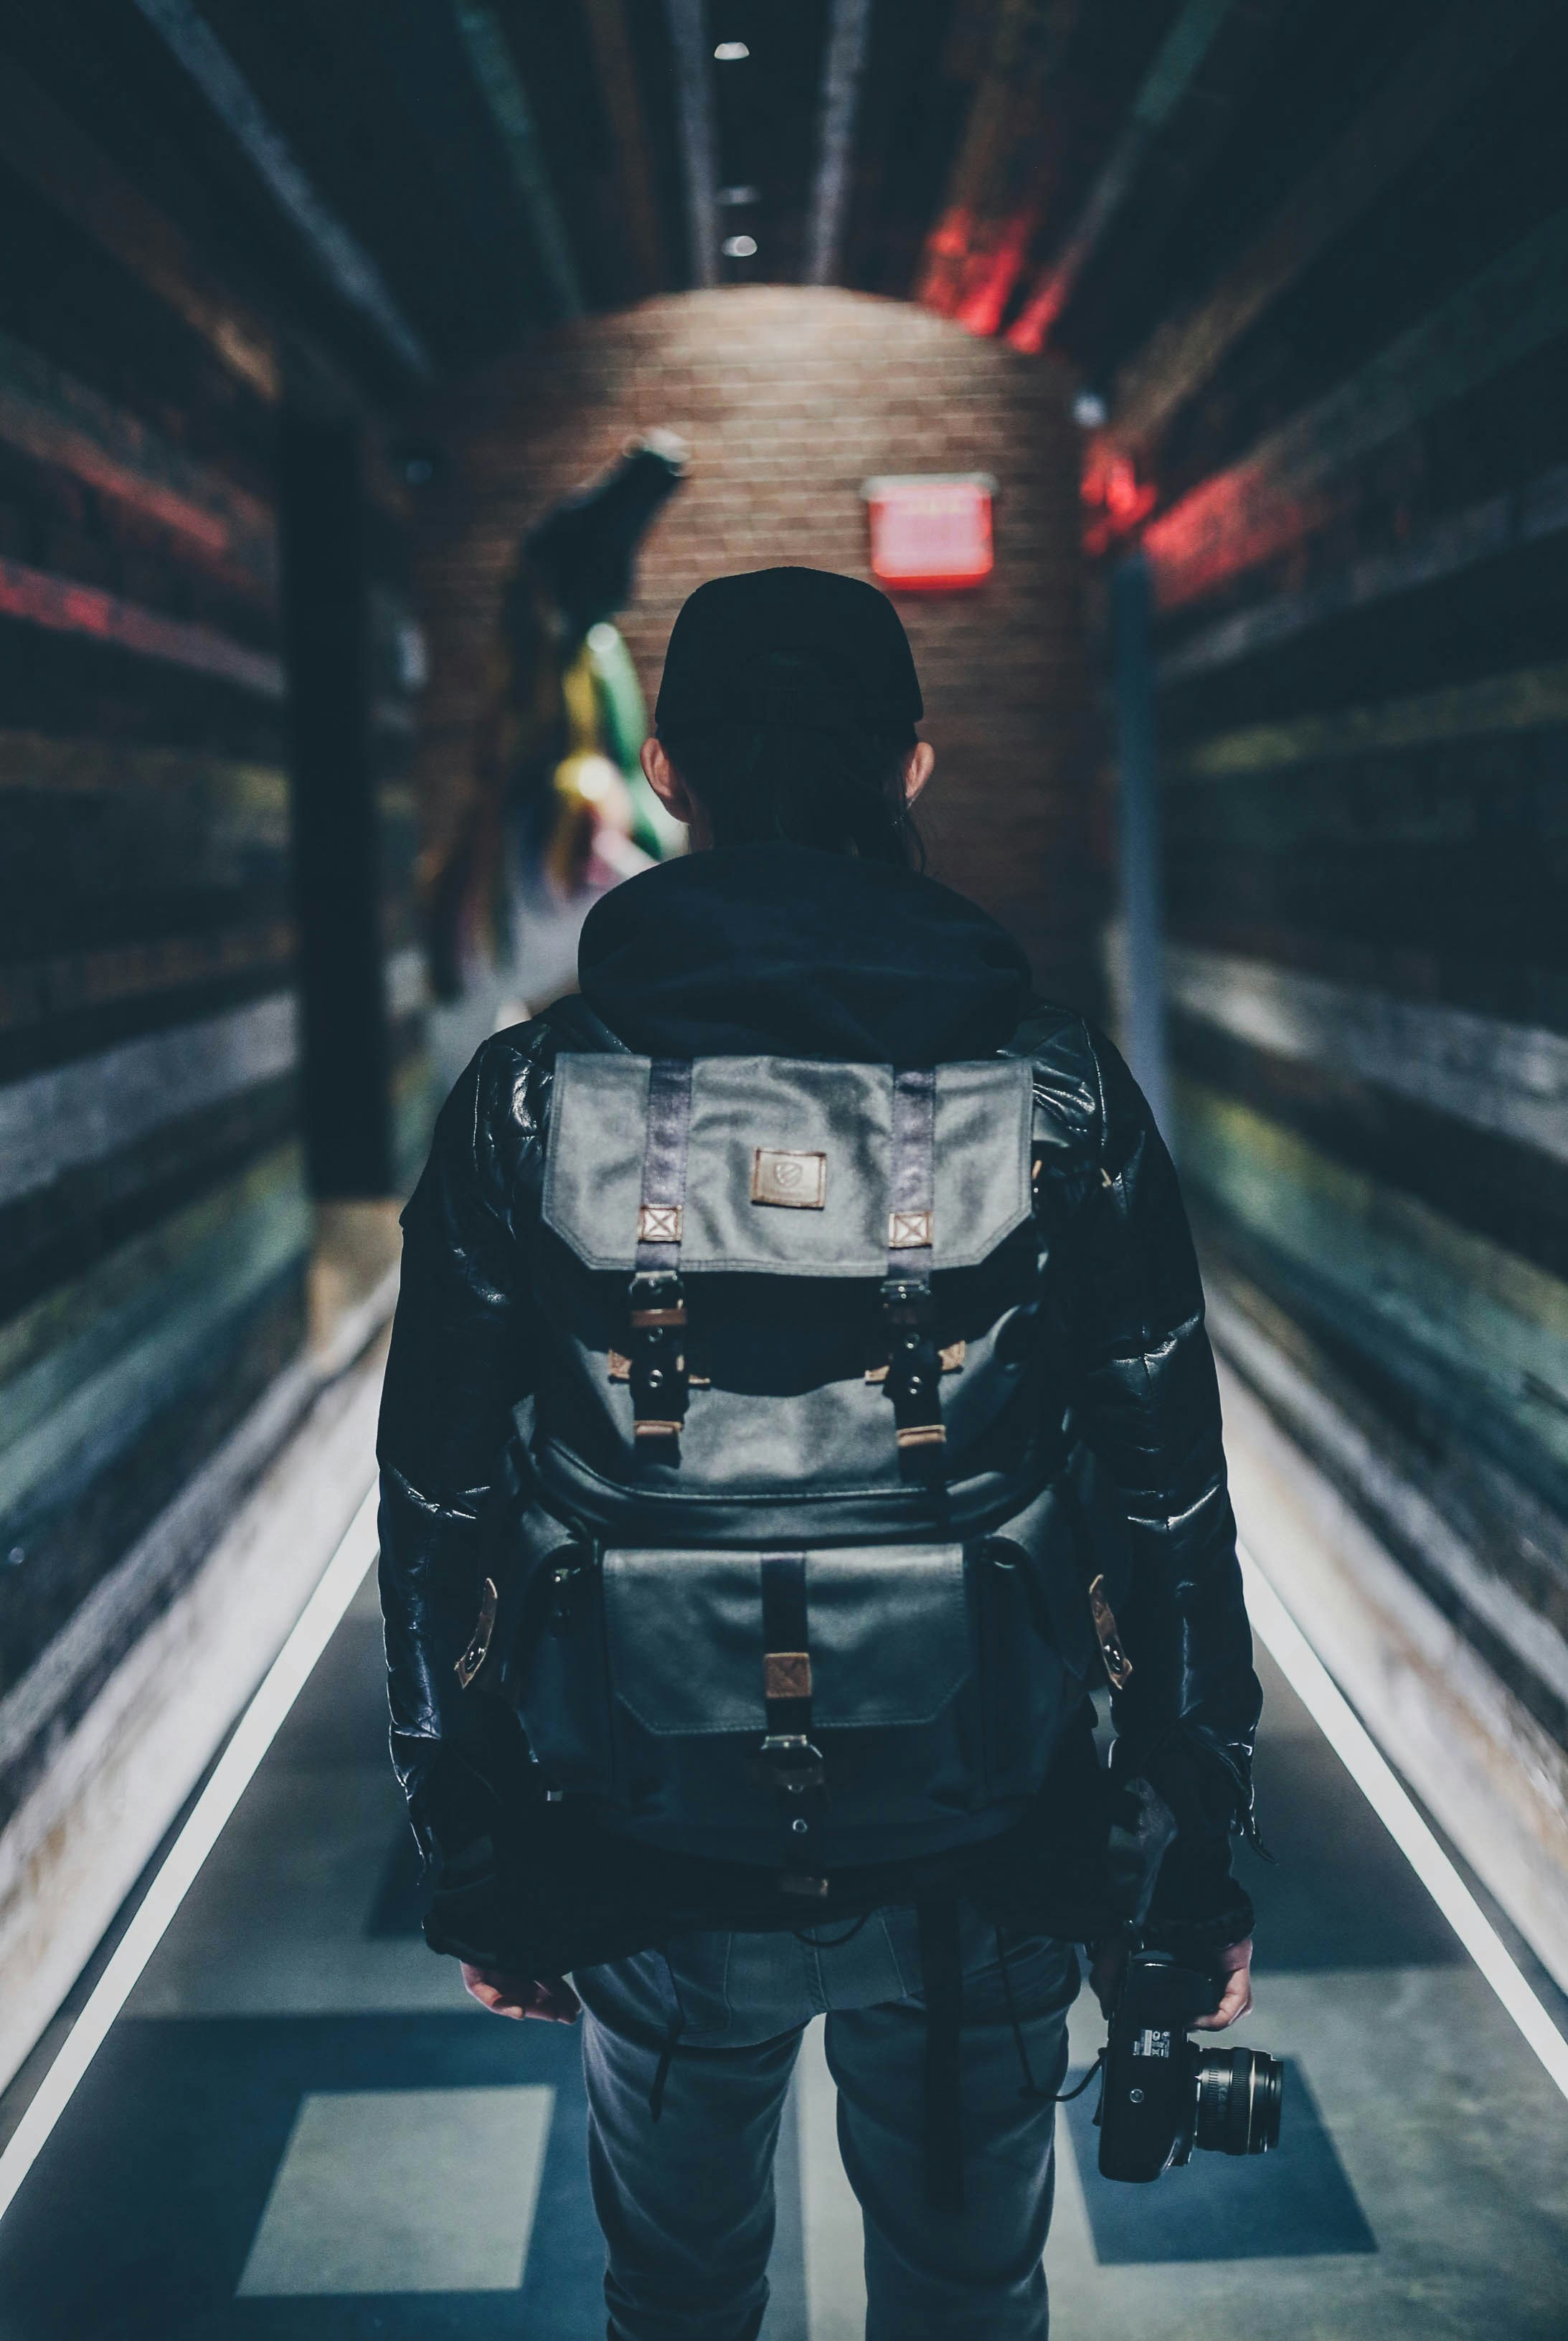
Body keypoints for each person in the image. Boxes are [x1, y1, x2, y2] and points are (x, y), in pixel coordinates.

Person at [377, 567, 1262, 2340]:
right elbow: (1163, 1494)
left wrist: (472, 1845)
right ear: (912, 764)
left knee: (678, 2298)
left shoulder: (531, 1102)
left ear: (673, 774)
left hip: (646, 1837)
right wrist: (1186, 1865)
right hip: (984, 1842)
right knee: (964, 2304)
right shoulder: (1059, 1092)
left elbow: (437, 1505)